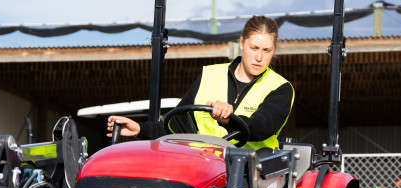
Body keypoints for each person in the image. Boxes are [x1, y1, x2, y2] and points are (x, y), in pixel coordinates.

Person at [107, 15, 294, 149]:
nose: (259, 57)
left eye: (267, 50)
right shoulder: (210, 75)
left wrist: (229, 120)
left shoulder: (280, 88)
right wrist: (140, 128)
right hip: (206, 169)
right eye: (254, 48)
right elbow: (176, 124)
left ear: (273, 50)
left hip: (253, 177)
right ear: (242, 43)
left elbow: (260, 127)